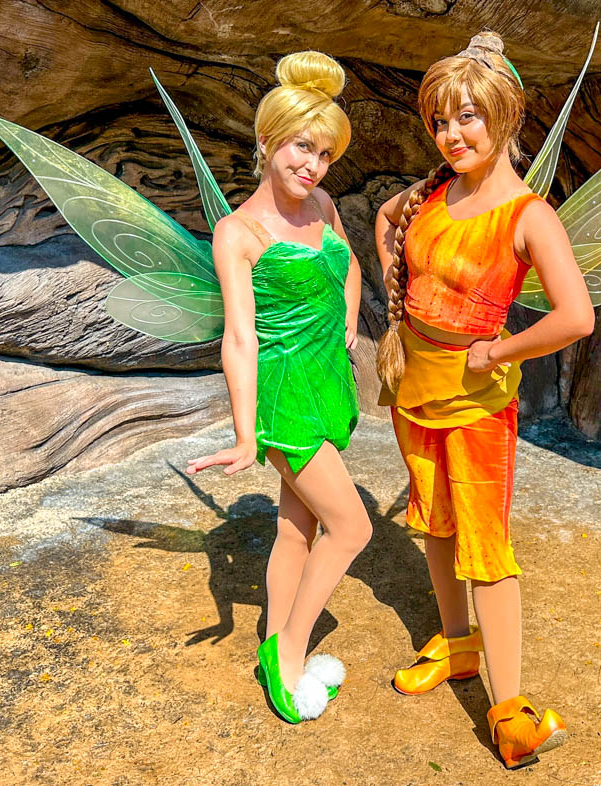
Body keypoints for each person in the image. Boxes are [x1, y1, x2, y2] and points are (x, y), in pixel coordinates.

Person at [374, 32, 595, 768]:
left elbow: (576, 317)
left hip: (476, 404)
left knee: (486, 548)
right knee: (433, 521)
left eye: (467, 117)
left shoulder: (530, 216)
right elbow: (386, 220)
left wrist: (498, 351)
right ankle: (458, 645)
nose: (451, 134)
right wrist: (398, 290)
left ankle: (511, 711)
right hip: (415, 386)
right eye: (440, 120)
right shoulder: (431, 195)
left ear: (505, 117)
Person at [189, 50, 372, 725]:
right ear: (267, 141)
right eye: (301, 146)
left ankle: (275, 635)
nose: (313, 165)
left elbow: (347, 262)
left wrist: (348, 316)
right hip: (284, 396)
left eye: (324, 153)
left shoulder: (322, 203)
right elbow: (239, 338)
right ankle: (287, 654)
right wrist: (246, 433)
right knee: (351, 528)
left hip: (326, 380)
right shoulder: (237, 232)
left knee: (298, 528)